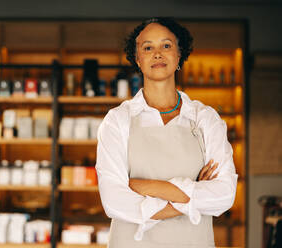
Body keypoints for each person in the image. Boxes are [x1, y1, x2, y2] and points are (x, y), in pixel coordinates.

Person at [95, 17, 238, 248]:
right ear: (138, 60)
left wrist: (146, 187)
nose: (158, 54)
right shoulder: (117, 121)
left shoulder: (205, 118)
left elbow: (224, 194)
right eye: (148, 47)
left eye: (166, 45)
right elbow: (114, 201)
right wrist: (194, 195)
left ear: (179, 55)